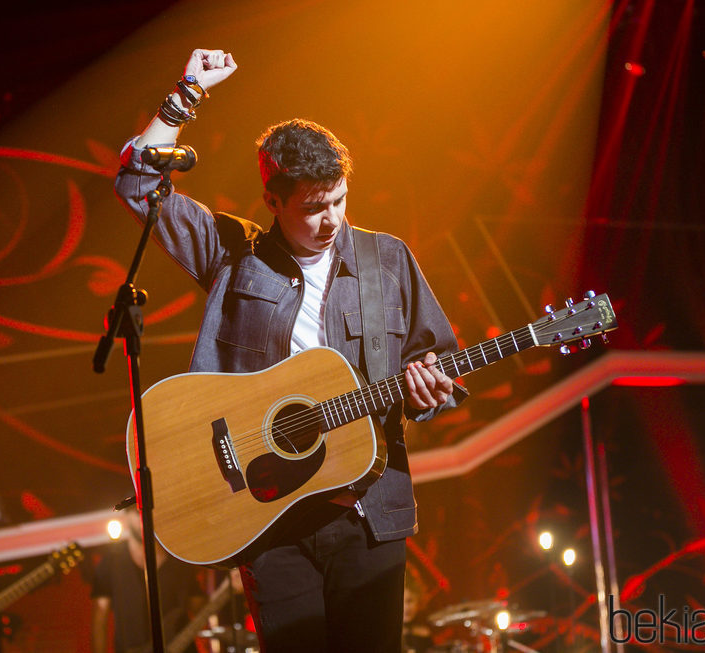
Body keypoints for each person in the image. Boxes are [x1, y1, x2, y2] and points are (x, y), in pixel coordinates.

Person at [114, 49, 466, 652]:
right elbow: (139, 183)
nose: (331, 221)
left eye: (339, 200)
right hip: (267, 513)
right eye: (311, 208)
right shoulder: (234, 254)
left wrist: (431, 392)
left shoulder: (388, 260)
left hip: (368, 513)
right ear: (273, 202)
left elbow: (438, 368)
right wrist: (188, 91)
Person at [90, 508, 203, 653]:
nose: (143, 519)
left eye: (148, 510)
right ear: (126, 517)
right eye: (137, 512)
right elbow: (99, 621)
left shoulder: (178, 560)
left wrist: (226, 590)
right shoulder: (110, 563)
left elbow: (199, 606)